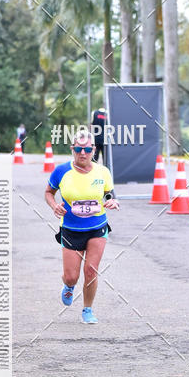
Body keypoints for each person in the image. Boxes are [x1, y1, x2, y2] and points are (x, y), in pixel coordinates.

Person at [45, 128, 118, 324]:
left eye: (87, 149)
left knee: (91, 270)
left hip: (97, 226)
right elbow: (49, 192)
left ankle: (87, 310)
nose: (83, 153)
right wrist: (54, 206)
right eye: (78, 149)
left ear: (94, 149)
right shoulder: (61, 171)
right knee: (71, 276)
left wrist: (111, 201)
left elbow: (109, 193)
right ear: (72, 149)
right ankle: (68, 287)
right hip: (71, 229)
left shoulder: (103, 171)